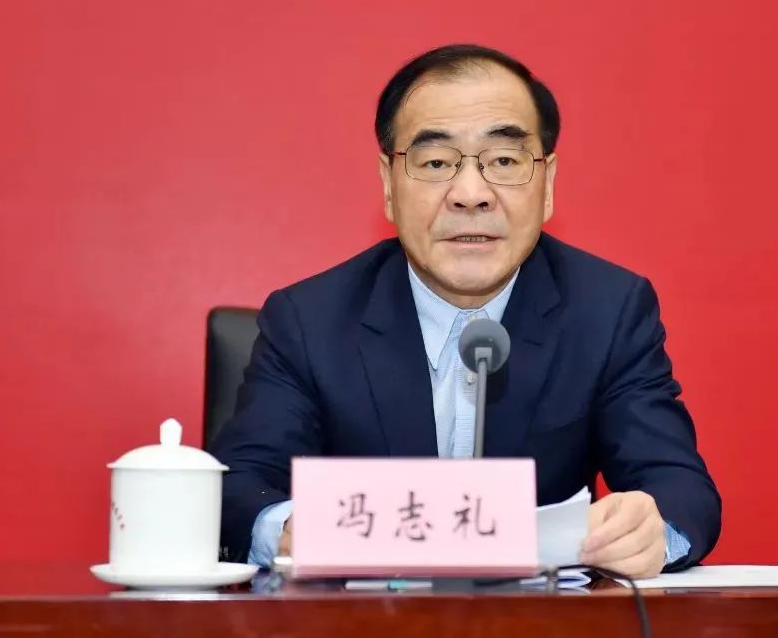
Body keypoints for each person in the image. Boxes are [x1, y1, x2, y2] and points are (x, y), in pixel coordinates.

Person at [211, 44, 721, 577]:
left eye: (504, 161)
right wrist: (289, 529)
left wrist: (651, 530)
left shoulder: (607, 310)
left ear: (547, 184)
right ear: (389, 185)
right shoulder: (309, 320)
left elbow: (679, 488)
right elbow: (239, 486)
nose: (471, 194)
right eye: (436, 163)